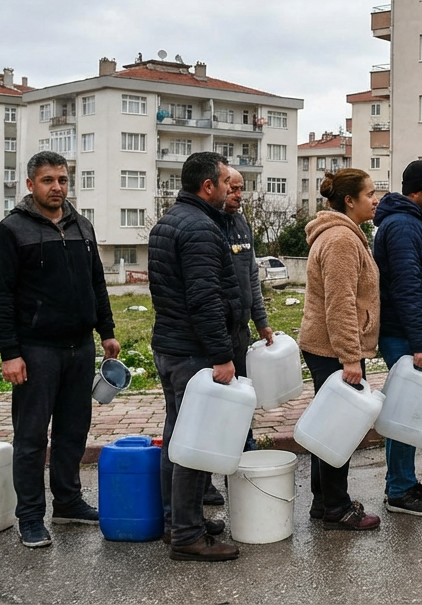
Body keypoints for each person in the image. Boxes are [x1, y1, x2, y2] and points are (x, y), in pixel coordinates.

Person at [0, 152, 119, 548]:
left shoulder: (82, 226)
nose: (57, 187)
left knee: (73, 431)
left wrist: (107, 331)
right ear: (30, 185)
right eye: (48, 180)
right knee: (30, 438)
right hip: (36, 349)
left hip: (81, 347)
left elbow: (97, 283)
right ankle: (30, 516)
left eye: (62, 179)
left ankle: (68, 501)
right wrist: (9, 352)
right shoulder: (11, 231)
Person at [148, 151, 243, 562]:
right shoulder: (202, 229)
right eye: (225, 183)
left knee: (175, 437)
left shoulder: (168, 222)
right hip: (192, 351)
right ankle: (187, 534)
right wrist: (222, 355)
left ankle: (176, 522)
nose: (228, 190)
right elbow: (204, 299)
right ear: (208, 186)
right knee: (193, 442)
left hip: (170, 345)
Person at [298, 168, 382, 531]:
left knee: (331, 424)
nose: (376, 200)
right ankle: (336, 506)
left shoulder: (346, 235)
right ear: (349, 200)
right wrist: (351, 357)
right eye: (370, 194)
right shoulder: (341, 240)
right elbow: (340, 303)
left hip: (329, 346)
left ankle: (323, 501)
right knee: (339, 429)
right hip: (333, 349)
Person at [371, 160, 422, 517]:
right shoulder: (402, 226)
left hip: (405, 332)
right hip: (402, 334)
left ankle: (403, 479)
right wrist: (420, 343)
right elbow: (407, 288)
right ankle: (400, 491)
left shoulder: (407, 222)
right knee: (405, 411)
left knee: (408, 408)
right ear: (414, 192)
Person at [201, 166, 274, 506]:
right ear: (215, 188)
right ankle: (202, 482)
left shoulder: (242, 225)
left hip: (239, 332)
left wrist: (261, 320)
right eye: (231, 188)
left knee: (240, 404)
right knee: (207, 411)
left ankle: (243, 470)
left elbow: (251, 278)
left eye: (242, 189)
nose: (238, 195)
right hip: (210, 335)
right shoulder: (205, 225)